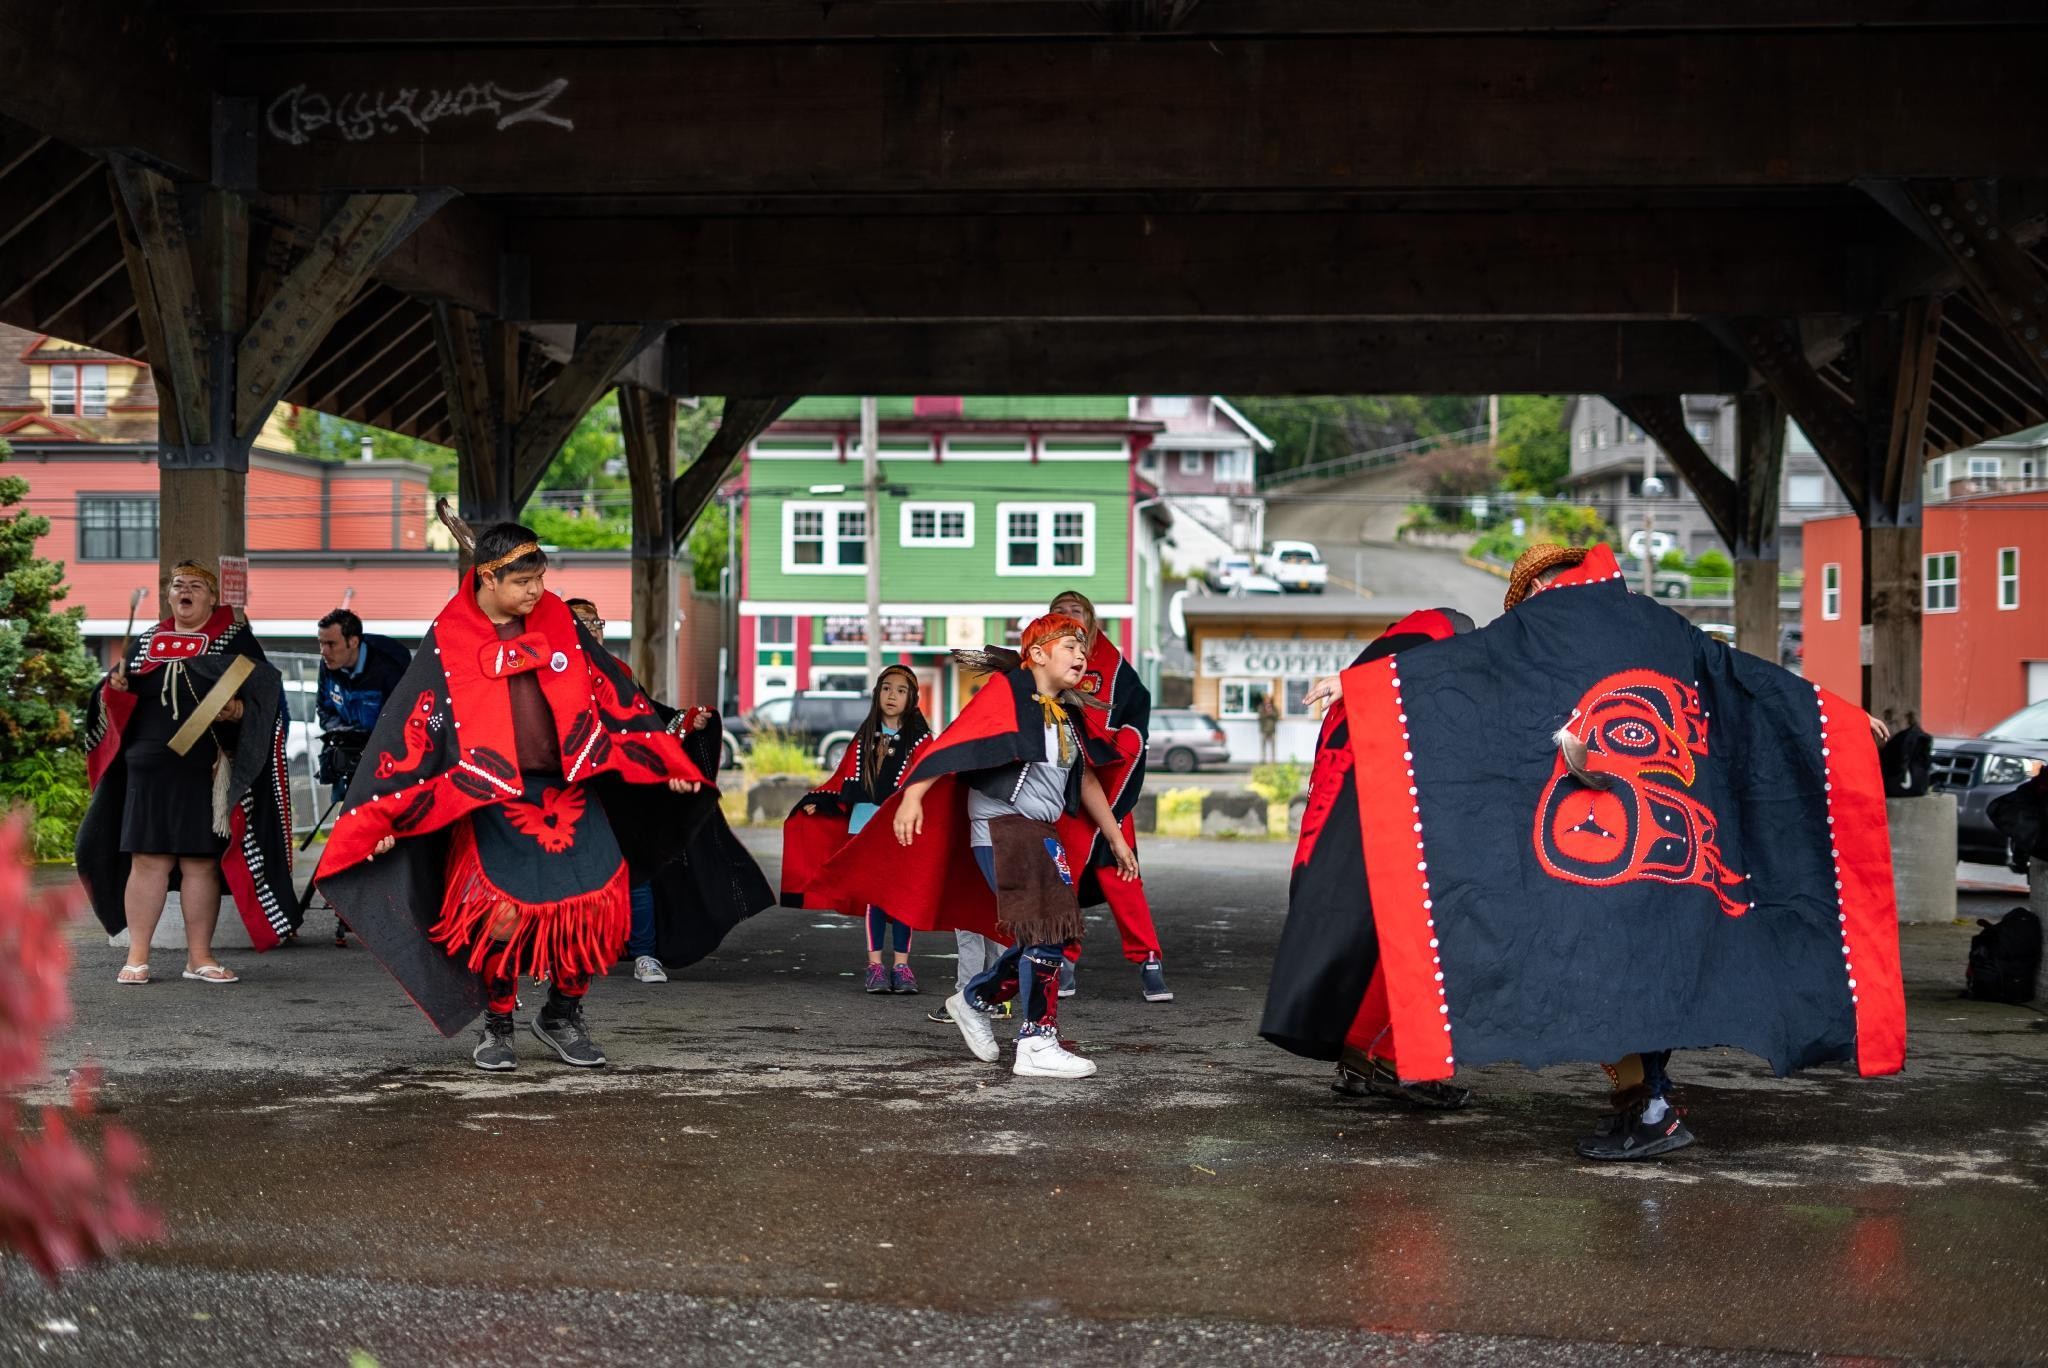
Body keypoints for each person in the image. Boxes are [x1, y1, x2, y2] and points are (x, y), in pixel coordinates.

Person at [1276, 542, 1905, 1161]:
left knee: (1606, 972)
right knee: (1644, 971)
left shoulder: (1535, 633)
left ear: (1535, 588)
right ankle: (1649, 1106)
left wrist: (1361, 686)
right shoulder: (1661, 624)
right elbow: (1742, 676)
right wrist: (1837, 718)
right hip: (1666, 852)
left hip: (1604, 852)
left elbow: (1460, 671)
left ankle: (1651, 1110)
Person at [314, 510, 773, 1071]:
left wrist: (661, 760)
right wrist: (387, 819)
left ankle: (561, 1013)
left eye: (540, 580)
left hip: (569, 785)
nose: (537, 591)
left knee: (598, 907)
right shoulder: (450, 638)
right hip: (492, 792)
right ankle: (499, 1023)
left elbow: (613, 691)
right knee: (502, 913)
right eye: (523, 582)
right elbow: (412, 725)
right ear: (487, 578)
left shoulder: (558, 620)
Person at [810, 614, 1140, 1079]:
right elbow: (955, 740)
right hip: (1002, 827)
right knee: (1044, 931)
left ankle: (975, 999)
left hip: (1039, 833)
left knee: (1051, 933)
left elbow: (1083, 777)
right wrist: (914, 795)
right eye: (1070, 645)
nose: (1081, 654)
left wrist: (1114, 835)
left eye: (1083, 648)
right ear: (1039, 654)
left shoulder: (1064, 714)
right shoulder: (1007, 693)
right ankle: (1036, 1041)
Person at [1265, 608, 1476, 1111]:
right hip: (1387, 844)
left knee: (1368, 942)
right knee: (1412, 945)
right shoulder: (1395, 675)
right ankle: (1397, 1063)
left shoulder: (1367, 683)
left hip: (1342, 852)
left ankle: (1360, 1061)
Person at [75, 560, 296, 984]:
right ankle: (137, 958)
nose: (185, 592)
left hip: (205, 768)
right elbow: (116, 696)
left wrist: (239, 711)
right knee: (148, 859)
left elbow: (266, 698)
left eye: (195, 586)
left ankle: (200, 957)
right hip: (148, 767)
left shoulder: (233, 640)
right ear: (170, 595)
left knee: (200, 862)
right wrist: (113, 690)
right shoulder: (147, 642)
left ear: (212, 598)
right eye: (178, 585)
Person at [1046, 589, 1171, 1003]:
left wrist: (1119, 742)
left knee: (1123, 875)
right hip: (1065, 789)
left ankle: (1148, 958)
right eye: (1060, 611)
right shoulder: (1040, 657)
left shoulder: (1111, 662)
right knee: (1065, 878)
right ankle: (1063, 958)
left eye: (1076, 609)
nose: (1069, 616)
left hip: (1110, 789)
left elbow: (1138, 712)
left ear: (1091, 615)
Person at [780, 664, 934, 993]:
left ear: (912, 698)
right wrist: (818, 801)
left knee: (902, 895)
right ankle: (875, 966)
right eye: (886, 688)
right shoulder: (864, 736)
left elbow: (929, 781)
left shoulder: (921, 738)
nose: (892, 695)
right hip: (864, 823)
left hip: (901, 826)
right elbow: (842, 778)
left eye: (901, 690)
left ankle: (903, 967)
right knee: (874, 898)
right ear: (877, 693)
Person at [314, 608, 410, 796]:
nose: (323, 652)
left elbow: (403, 720)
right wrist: (346, 733)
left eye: (331, 644)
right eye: (321, 643)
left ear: (353, 641)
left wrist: (370, 743)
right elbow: (324, 710)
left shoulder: (388, 669)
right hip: (348, 761)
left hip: (386, 767)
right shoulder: (329, 666)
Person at [1257, 692, 1279, 764]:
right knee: (1263, 746)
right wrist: (1266, 713)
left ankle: (1273, 760)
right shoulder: (1261, 707)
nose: (1267, 700)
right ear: (1264, 700)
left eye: (1269, 699)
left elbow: (1277, 717)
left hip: (1272, 730)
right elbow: (1260, 717)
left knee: (1273, 746)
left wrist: (1271, 713)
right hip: (1264, 730)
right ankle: (1263, 760)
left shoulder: (1273, 707)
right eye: (1266, 699)